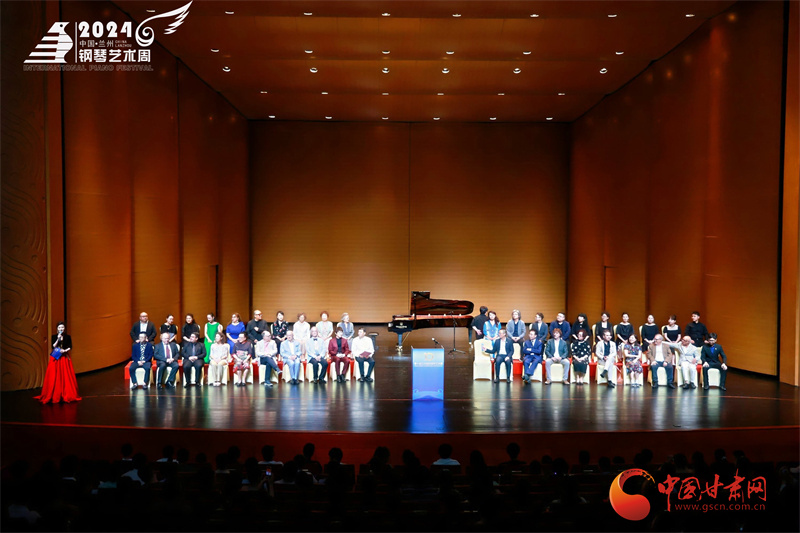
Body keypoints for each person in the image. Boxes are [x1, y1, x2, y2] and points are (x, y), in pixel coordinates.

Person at [35, 322, 81, 403]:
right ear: (57, 329)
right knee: (54, 374)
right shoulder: (54, 336)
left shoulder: (67, 337)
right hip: (56, 356)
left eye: (62, 327)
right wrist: (58, 338)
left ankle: (66, 392)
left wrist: (65, 350)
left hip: (64, 357)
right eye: (59, 327)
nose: (61, 329)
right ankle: (54, 393)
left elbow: (70, 346)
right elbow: (53, 346)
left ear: (64, 328)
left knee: (65, 374)